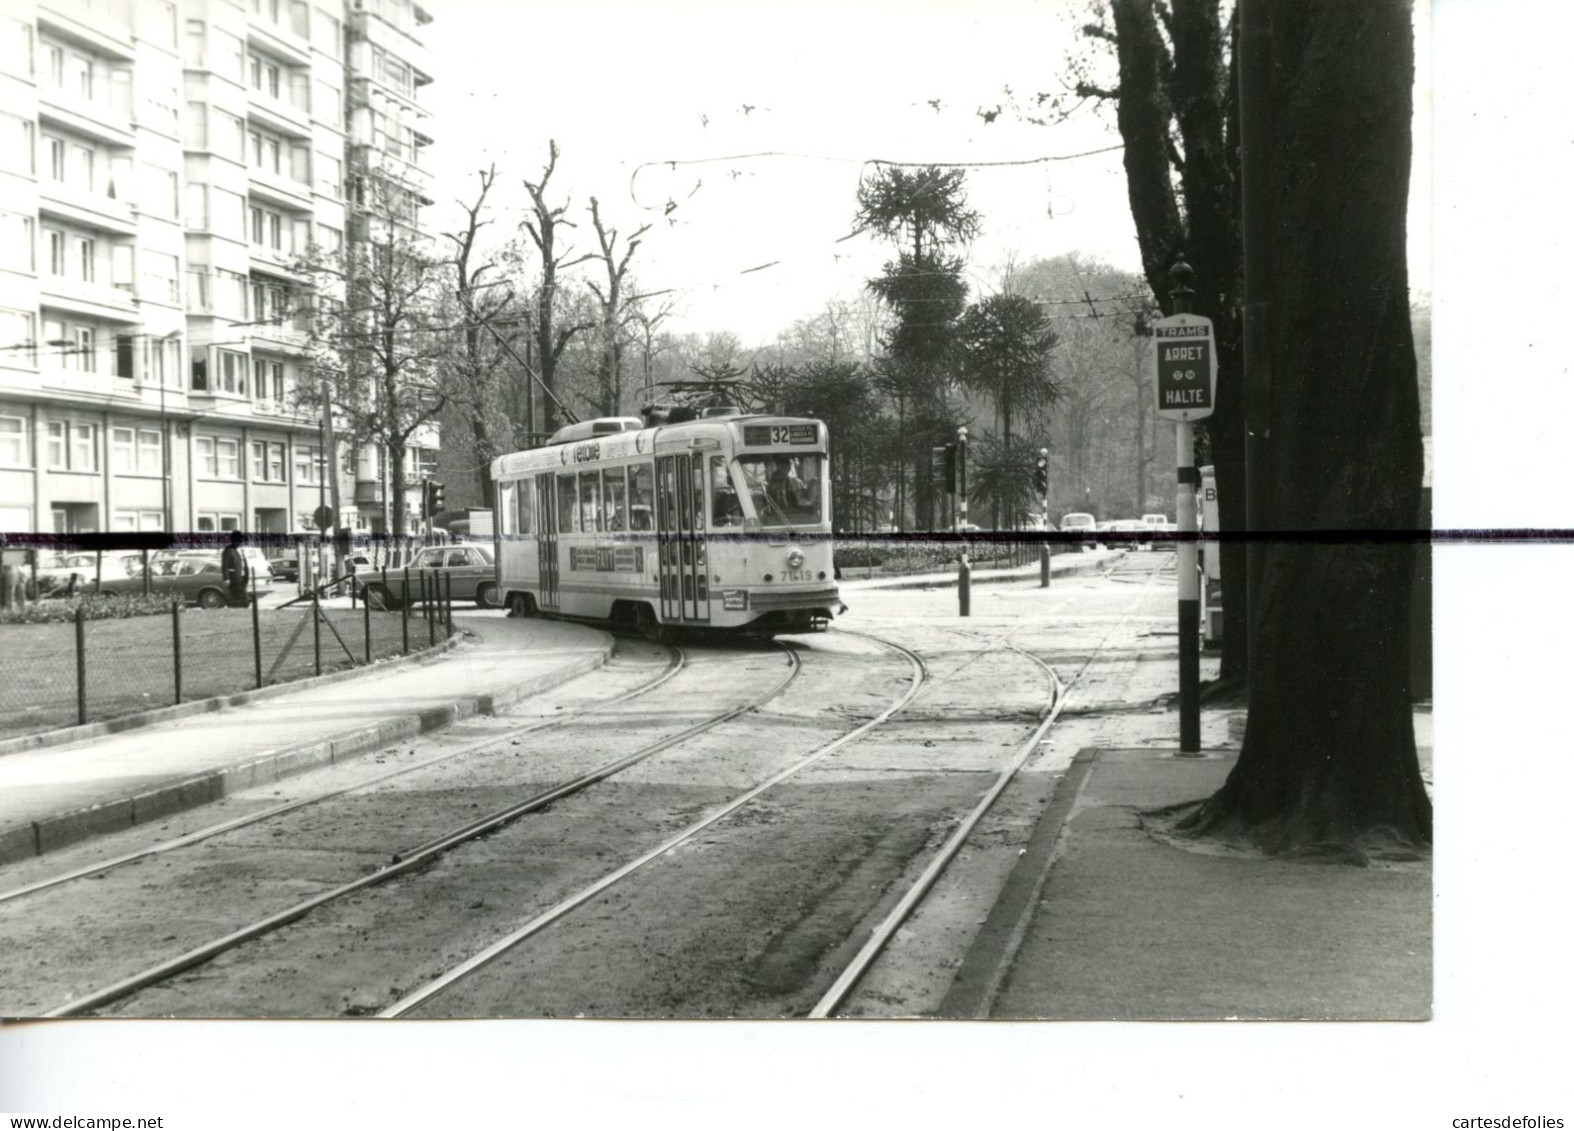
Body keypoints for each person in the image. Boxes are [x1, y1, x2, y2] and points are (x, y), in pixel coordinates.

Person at [220, 530, 250, 607]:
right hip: (234, 579)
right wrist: (226, 578)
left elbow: (244, 562)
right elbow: (225, 565)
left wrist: (247, 574)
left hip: (243, 578)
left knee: (243, 598)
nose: (239, 543)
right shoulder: (228, 550)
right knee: (239, 599)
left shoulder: (240, 550)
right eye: (237, 541)